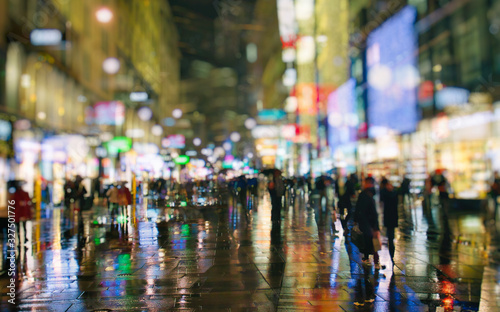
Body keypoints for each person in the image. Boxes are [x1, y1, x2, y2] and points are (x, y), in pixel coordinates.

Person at [354, 177, 382, 269]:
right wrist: (356, 220)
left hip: (370, 222)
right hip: (366, 222)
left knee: (373, 242)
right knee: (369, 242)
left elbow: (373, 211)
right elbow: (359, 209)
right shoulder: (364, 194)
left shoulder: (371, 194)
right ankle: (370, 260)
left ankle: (374, 261)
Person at [380, 178, 399, 264]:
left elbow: (381, 200)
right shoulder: (394, 193)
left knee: (390, 237)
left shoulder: (383, 192)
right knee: (391, 237)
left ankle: (391, 253)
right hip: (393, 216)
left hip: (388, 216)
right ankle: (392, 254)